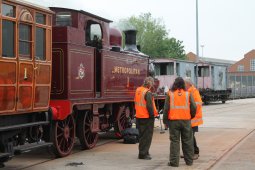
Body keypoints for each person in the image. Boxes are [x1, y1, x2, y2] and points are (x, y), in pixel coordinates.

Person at [163, 77, 196, 167]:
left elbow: (166, 109)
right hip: (186, 121)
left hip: (174, 122)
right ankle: (189, 161)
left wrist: (165, 121)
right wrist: (190, 117)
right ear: (183, 84)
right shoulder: (188, 94)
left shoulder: (170, 94)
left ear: (175, 84)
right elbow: (194, 107)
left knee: (174, 141)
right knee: (188, 141)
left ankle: (174, 162)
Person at [134, 77, 158, 160]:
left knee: (141, 136)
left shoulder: (138, 90)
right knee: (147, 137)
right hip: (146, 117)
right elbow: (149, 106)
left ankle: (143, 151)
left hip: (139, 116)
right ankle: (143, 154)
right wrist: (152, 115)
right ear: (150, 84)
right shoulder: (147, 93)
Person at [184, 78, 203, 160]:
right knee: (190, 136)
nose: (183, 85)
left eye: (185, 84)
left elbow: (198, 105)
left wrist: (190, 113)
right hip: (190, 118)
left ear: (188, 84)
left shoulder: (194, 92)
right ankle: (191, 152)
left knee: (190, 137)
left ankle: (194, 153)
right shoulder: (189, 91)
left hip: (193, 119)